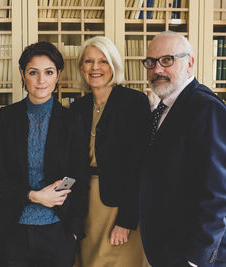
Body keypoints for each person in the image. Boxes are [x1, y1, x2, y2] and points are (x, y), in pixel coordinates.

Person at [0, 41, 90, 267]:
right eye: (33, 72)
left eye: (49, 72)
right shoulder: (7, 117)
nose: (41, 80)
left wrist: (57, 201)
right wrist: (34, 196)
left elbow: (77, 173)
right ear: (23, 74)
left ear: (57, 75)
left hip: (57, 229)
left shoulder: (72, 120)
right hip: (12, 230)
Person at [139, 31, 226, 267]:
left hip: (193, 256)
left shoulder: (205, 109)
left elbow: (218, 194)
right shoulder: (165, 108)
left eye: (167, 60)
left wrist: (195, 259)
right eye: (150, 62)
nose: (156, 70)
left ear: (190, 63)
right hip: (168, 249)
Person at [70, 36, 150, 267]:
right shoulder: (77, 108)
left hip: (120, 204)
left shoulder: (134, 102)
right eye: (89, 62)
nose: (95, 68)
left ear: (114, 66)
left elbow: (140, 165)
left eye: (103, 61)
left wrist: (126, 220)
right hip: (86, 204)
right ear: (81, 68)